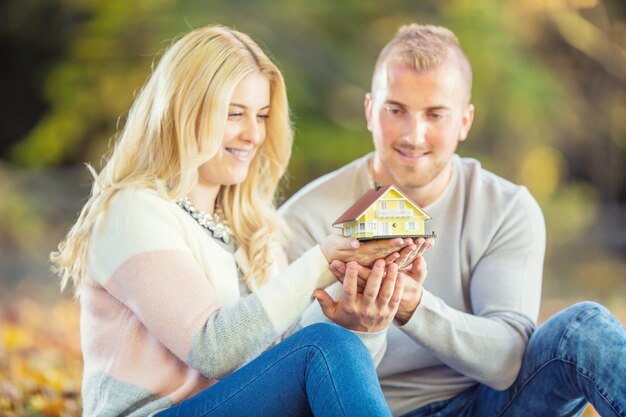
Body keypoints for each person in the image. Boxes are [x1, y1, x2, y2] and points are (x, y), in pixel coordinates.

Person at [49, 24, 415, 417]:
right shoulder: (132, 211)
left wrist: (362, 322)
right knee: (324, 345)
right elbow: (214, 349)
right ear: (184, 112)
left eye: (262, 115)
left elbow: (297, 367)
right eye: (234, 114)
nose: (253, 134)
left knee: (331, 343)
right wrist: (323, 261)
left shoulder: (254, 228)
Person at [280, 23, 626, 417]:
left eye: (435, 114)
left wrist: (414, 308)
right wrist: (352, 324)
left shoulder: (506, 208)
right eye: (396, 110)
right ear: (369, 112)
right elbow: (288, 367)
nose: (414, 135)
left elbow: (507, 362)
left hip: (486, 406)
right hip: (367, 409)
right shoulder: (304, 217)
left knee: (584, 329)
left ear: (465, 121)